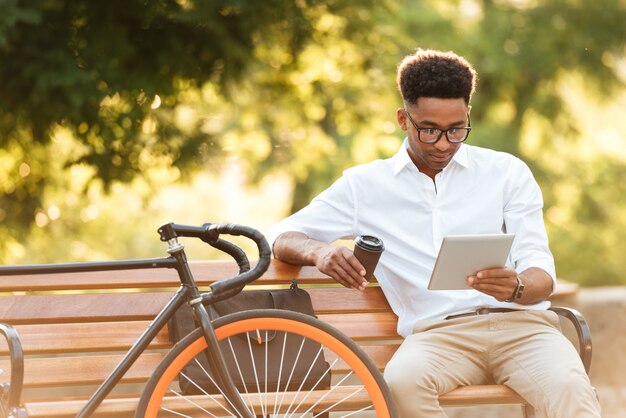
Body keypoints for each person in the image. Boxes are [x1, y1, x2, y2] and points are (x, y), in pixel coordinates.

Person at [267, 49, 601, 417]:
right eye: (429, 130)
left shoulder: (507, 173)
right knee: (401, 383)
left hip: (523, 328)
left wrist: (517, 286)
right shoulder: (365, 186)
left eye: (456, 129)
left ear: (468, 116)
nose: (443, 144)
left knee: (570, 388)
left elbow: (541, 271)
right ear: (402, 119)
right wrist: (320, 252)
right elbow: (282, 235)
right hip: (439, 336)